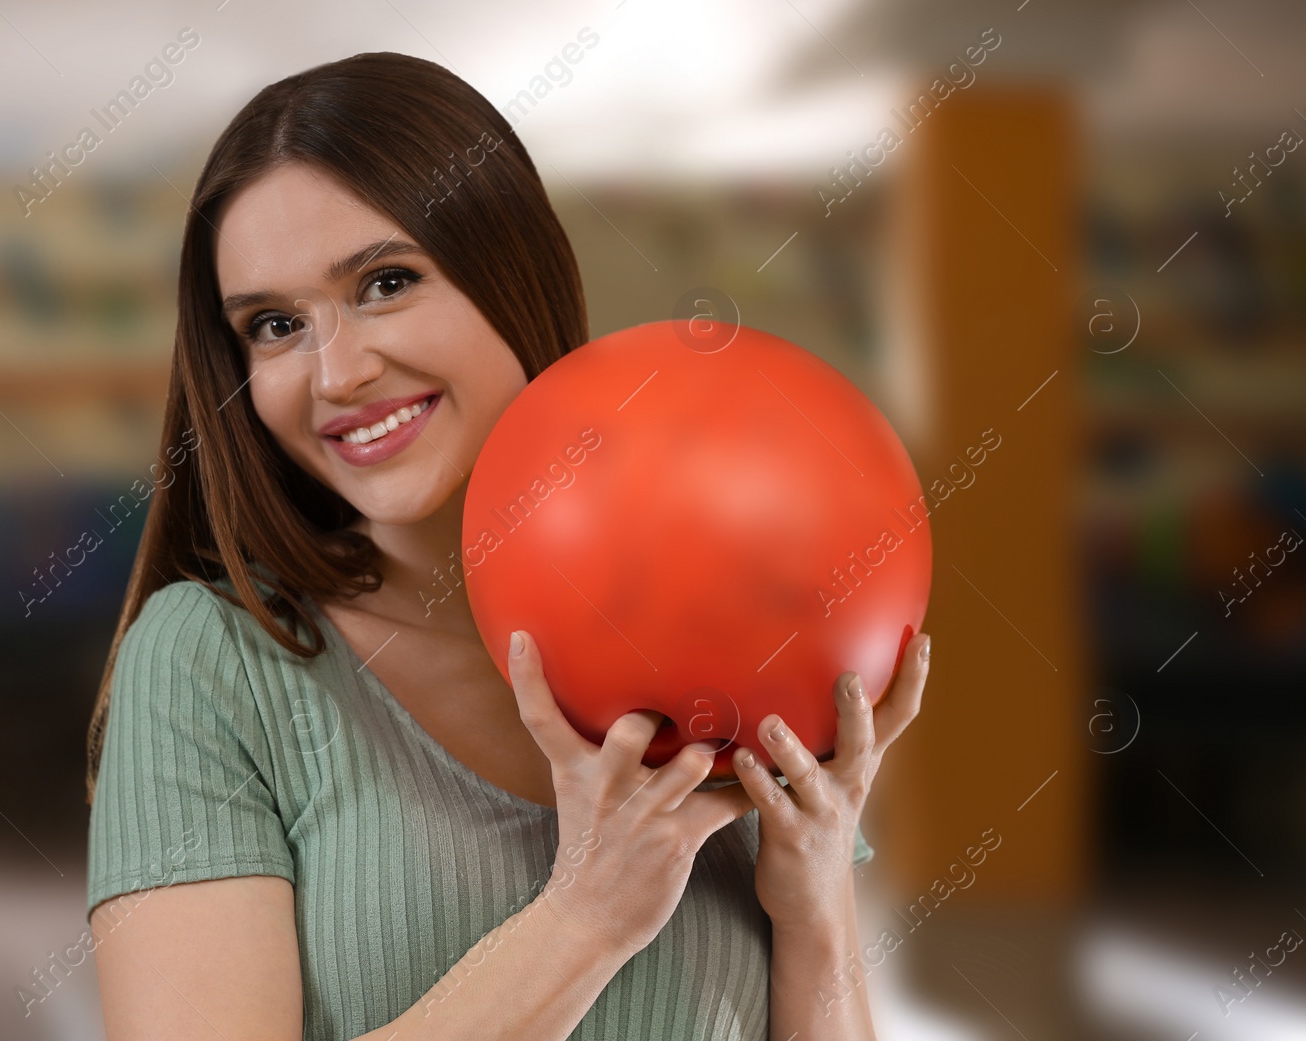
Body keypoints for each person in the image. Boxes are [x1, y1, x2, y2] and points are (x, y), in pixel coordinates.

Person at [82, 50, 930, 1041]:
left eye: (386, 282)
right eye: (274, 326)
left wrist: (816, 901)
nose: (336, 373)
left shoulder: (725, 619)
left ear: (511, 270)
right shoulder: (215, 664)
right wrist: (581, 921)